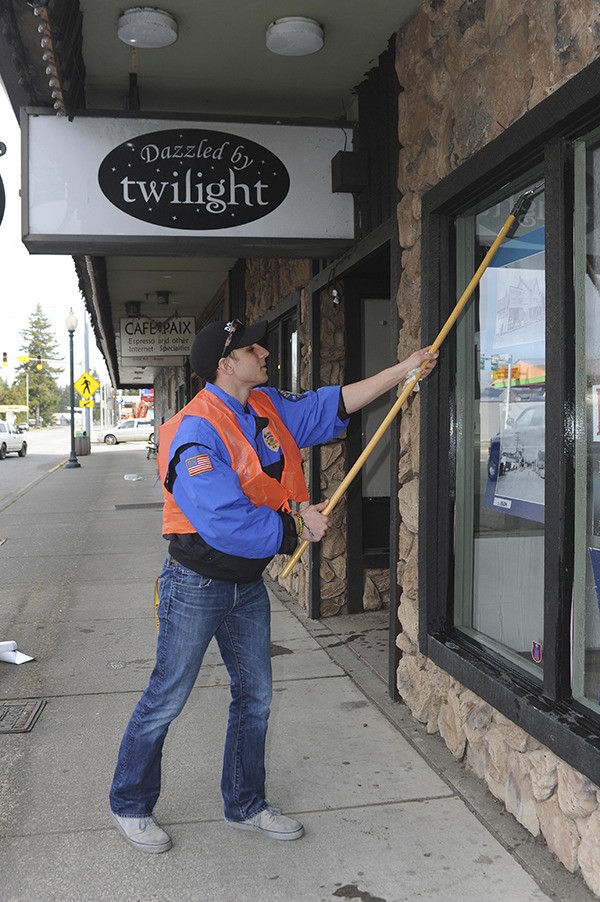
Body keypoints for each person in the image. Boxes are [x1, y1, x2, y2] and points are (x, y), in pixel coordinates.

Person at [109, 317, 437, 853]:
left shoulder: (264, 407)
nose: (264, 351)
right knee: (166, 698)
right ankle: (130, 803)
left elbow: (328, 405)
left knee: (256, 698)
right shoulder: (193, 430)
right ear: (225, 363)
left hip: (245, 585)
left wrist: (402, 371)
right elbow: (221, 518)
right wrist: (293, 527)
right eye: (251, 347)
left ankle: (244, 804)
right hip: (195, 584)